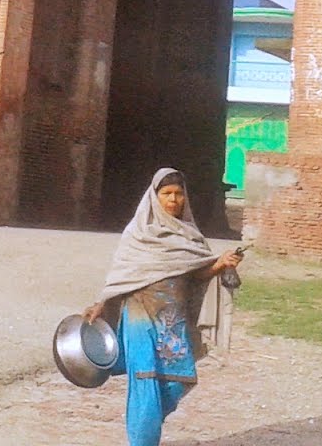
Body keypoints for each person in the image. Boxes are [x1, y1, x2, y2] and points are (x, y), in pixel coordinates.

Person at [82, 168, 244, 446]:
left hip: (172, 321)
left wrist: (220, 264)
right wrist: (102, 305)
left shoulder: (190, 237)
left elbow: (195, 274)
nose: (173, 200)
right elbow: (122, 278)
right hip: (139, 320)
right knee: (145, 383)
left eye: (179, 193)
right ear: (154, 198)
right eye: (166, 194)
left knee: (176, 381)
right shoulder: (138, 235)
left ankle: (146, 431)